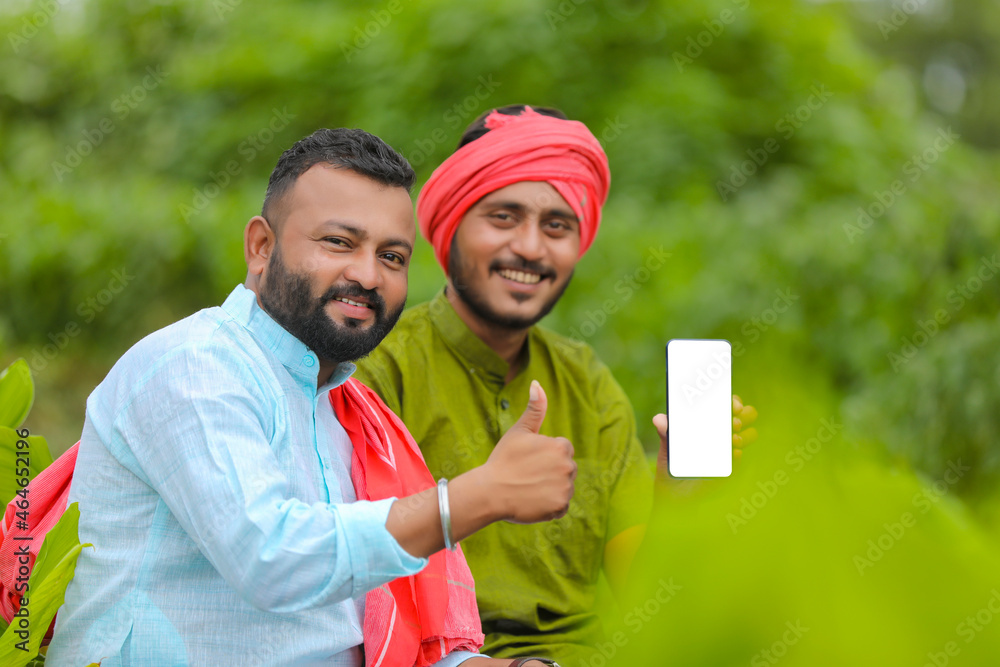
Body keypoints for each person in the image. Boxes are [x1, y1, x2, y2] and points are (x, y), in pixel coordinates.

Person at [45, 128, 572, 667]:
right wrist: (474, 498)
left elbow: (360, 638)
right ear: (261, 247)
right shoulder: (195, 365)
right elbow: (271, 559)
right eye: (339, 243)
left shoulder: (348, 412)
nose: (367, 275)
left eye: (391, 256)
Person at [353, 105, 757, 662]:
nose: (531, 248)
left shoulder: (588, 383)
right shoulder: (379, 370)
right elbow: (349, 580)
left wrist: (676, 497)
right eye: (502, 217)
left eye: (557, 225)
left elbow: (649, 598)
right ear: (451, 226)